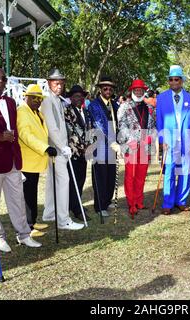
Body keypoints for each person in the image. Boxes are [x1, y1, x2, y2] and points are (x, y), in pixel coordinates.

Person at [0, 68, 42, 252]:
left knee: (17, 200)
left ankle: (24, 235)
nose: (1, 81)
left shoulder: (12, 102)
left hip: (13, 160)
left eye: (4, 78)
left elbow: (16, 130)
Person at [40, 68, 84, 230]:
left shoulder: (58, 100)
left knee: (52, 182)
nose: (59, 86)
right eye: (56, 83)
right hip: (56, 148)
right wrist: (62, 146)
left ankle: (49, 213)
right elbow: (52, 127)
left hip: (60, 147)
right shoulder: (47, 100)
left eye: (61, 83)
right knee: (63, 181)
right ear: (49, 83)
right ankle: (64, 220)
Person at [156, 65, 190, 215]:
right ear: (168, 81)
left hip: (186, 139)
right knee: (169, 171)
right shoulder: (161, 98)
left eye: (176, 79)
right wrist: (162, 139)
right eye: (171, 79)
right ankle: (167, 203)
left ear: (181, 81)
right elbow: (159, 120)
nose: (173, 82)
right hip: (169, 139)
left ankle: (181, 201)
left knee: (185, 171)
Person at [17, 84, 57, 234]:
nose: (37, 101)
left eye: (39, 98)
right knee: (27, 196)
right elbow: (25, 135)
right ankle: (27, 226)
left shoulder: (38, 113)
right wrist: (45, 148)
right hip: (27, 162)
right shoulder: (22, 111)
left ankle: (32, 221)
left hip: (35, 162)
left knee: (32, 193)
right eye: (33, 98)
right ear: (26, 97)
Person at [117, 79, 156, 218]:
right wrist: (129, 139)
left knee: (141, 176)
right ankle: (131, 203)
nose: (138, 92)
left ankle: (139, 201)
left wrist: (151, 136)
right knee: (130, 176)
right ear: (132, 91)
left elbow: (152, 126)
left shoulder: (149, 108)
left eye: (140, 90)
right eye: (136, 90)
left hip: (145, 147)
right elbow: (121, 126)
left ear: (143, 91)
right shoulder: (124, 106)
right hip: (131, 146)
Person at [87, 76, 120, 217]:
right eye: (105, 88)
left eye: (110, 88)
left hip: (113, 145)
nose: (108, 90)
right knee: (100, 176)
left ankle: (107, 201)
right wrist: (112, 142)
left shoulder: (115, 105)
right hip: (100, 145)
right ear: (100, 89)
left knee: (111, 175)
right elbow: (100, 125)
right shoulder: (94, 105)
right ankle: (100, 206)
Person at [64, 85, 95, 221]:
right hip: (74, 152)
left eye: (81, 96)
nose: (79, 98)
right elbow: (71, 131)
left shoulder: (86, 111)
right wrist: (83, 147)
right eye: (76, 96)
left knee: (81, 180)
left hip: (84, 153)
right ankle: (76, 209)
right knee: (73, 181)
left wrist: (91, 145)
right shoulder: (67, 111)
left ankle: (76, 203)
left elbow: (90, 130)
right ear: (70, 98)